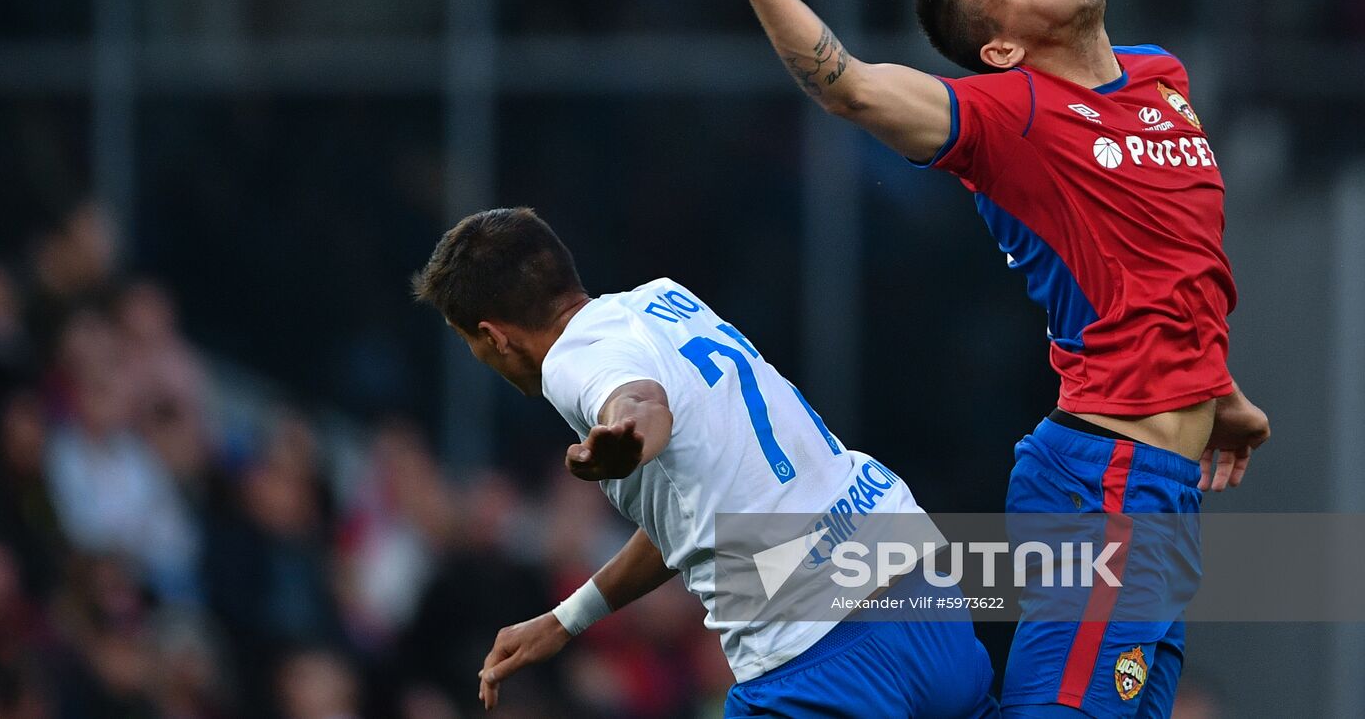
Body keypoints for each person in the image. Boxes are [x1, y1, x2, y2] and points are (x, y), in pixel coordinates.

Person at [693, 0, 1271, 718]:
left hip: (1161, 488)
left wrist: (1214, 384)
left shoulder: (1163, 76)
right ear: (1000, 48)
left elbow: (1165, 248)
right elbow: (846, 85)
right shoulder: (1007, 118)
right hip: (1101, 480)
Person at [411, 207, 1000, 717]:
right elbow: (687, 519)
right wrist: (567, 619)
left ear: (493, 336)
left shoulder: (575, 363)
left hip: (817, 652)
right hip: (920, 595)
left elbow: (640, 401)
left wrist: (628, 436)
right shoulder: (663, 301)